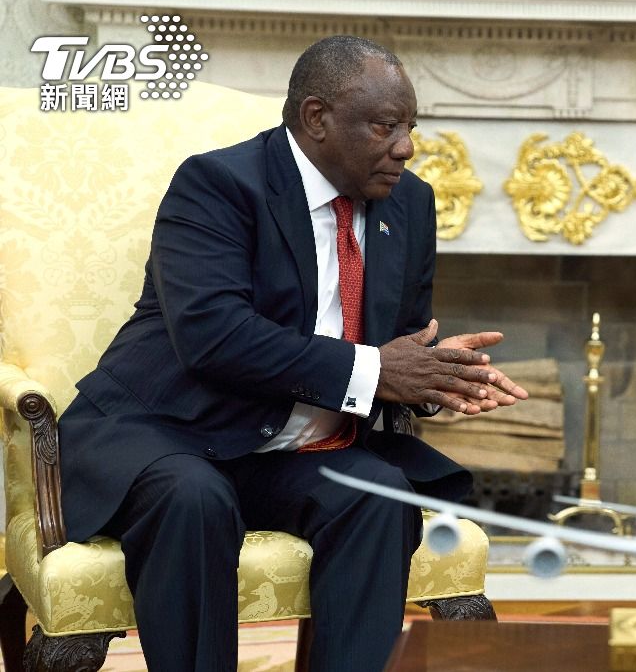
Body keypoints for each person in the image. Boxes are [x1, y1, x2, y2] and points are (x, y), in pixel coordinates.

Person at [56, 35, 528, 671]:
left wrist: (436, 377)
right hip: (171, 432)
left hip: (293, 451)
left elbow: (399, 345)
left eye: (410, 127)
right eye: (385, 126)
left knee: (380, 495)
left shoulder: (410, 203)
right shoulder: (219, 184)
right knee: (194, 498)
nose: (406, 147)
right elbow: (214, 334)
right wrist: (377, 370)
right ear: (317, 118)